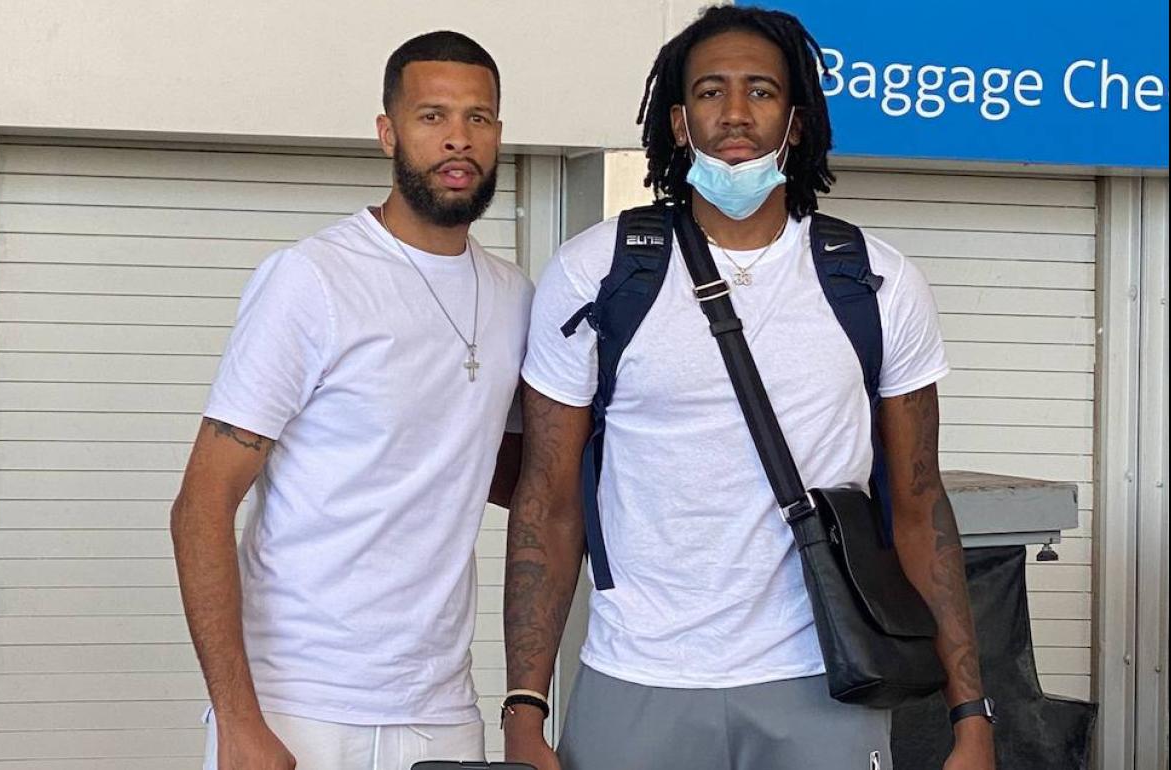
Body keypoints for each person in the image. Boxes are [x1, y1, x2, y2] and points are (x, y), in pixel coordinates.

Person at [502, 5, 995, 770]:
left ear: (796, 122)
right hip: (638, 678)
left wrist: (972, 714)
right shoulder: (597, 272)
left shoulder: (876, 280)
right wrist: (524, 707)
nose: (735, 113)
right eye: (710, 92)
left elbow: (921, 499)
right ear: (677, 120)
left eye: (761, 92)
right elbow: (547, 498)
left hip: (825, 684)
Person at [170, 30, 533, 770]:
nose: (457, 139)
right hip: (297, 705)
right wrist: (239, 720)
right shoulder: (312, 280)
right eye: (432, 117)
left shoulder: (514, 297)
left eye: (479, 118)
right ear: (387, 133)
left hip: (441, 710)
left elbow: (504, 477)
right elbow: (201, 504)